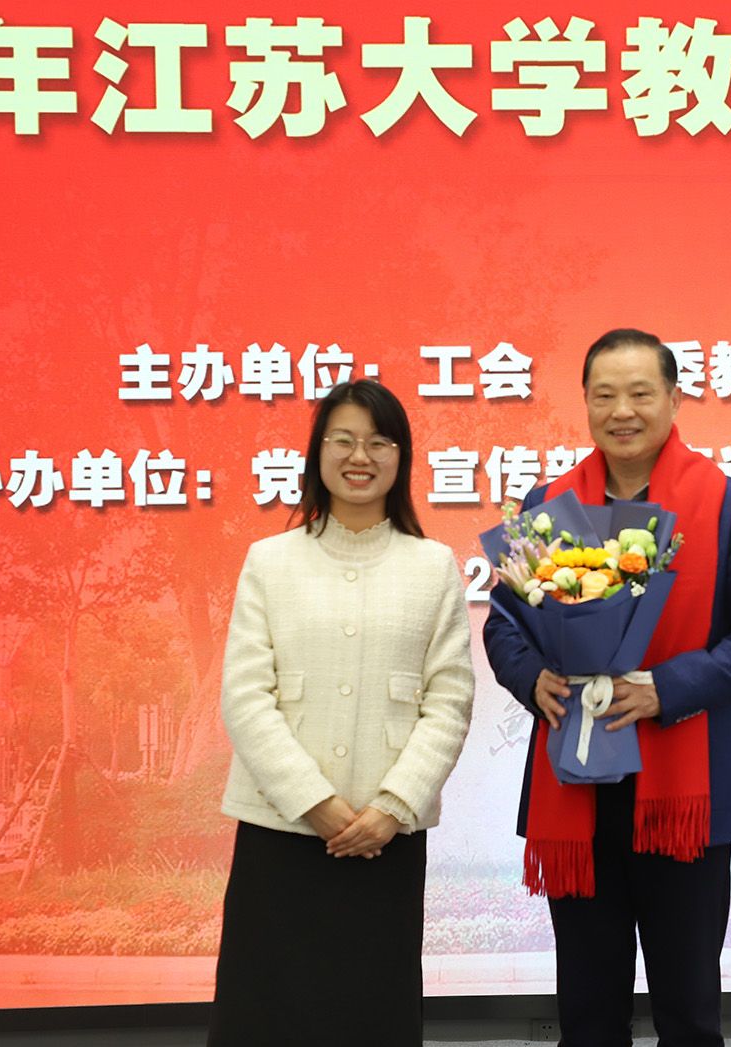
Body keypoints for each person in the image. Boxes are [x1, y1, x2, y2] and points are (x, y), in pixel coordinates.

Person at [484, 329, 731, 1047]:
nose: (621, 411)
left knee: (688, 1010)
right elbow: (506, 626)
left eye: (639, 393)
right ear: (586, 403)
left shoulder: (728, 503)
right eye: (604, 395)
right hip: (576, 778)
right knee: (588, 1012)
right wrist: (533, 678)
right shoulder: (548, 504)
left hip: (685, 788)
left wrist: (667, 687)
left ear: (674, 399)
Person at [209, 380, 474, 1047]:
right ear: (318, 452)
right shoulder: (270, 561)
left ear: (400, 457)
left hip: (387, 838)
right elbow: (246, 696)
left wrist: (392, 807)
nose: (361, 456)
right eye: (344, 440)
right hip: (280, 830)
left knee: (371, 1013)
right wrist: (315, 803)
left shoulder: (432, 565)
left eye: (379, 442)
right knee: (266, 1014)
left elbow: (448, 701)